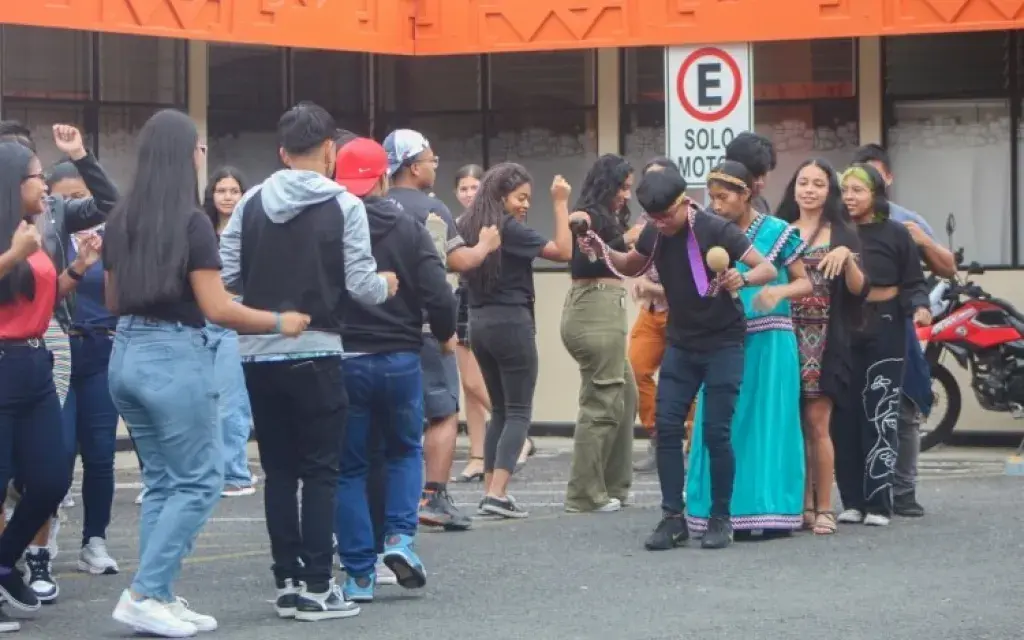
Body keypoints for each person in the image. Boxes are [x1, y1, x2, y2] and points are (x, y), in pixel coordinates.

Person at [104, 108, 311, 637]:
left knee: (163, 481)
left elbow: (112, 299)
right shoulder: (191, 222)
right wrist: (279, 321)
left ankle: (157, 593)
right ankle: (145, 592)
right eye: (198, 145)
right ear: (184, 154)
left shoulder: (121, 217)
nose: (203, 153)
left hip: (125, 353)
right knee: (200, 480)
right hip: (173, 357)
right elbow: (218, 308)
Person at [221, 103, 393, 622]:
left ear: (282, 152)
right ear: (330, 150)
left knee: (278, 472)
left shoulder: (249, 203)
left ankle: (288, 581)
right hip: (318, 349)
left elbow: (227, 277)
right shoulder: (345, 204)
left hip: (258, 351)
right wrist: (386, 285)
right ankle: (319, 586)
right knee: (321, 470)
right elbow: (361, 284)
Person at [580, 168, 778, 551]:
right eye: (653, 218)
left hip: (723, 342)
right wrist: (601, 247)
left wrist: (742, 279)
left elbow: (766, 267)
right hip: (682, 343)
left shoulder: (715, 229)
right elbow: (630, 264)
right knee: (667, 427)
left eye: (666, 216)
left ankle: (721, 517)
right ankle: (673, 518)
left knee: (716, 432)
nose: (661, 224)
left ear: (684, 202)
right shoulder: (655, 232)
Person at [332, 135, 456, 602]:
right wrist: (444, 332)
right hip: (402, 356)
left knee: (350, 467)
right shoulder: (409, 226)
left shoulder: (330, 226)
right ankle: (400, 539)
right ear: (384, 178)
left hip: (346, 356)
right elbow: (439, 292)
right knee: (404, 451)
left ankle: (358, 575)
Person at [0, 123, 118, 606]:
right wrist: (14, 255)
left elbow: (109, 203)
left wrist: (77, 269)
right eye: (36, 177)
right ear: (12, 183)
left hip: (39, 359)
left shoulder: (44, 222)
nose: (45, 187)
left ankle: (7, 560)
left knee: (51, 479)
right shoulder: (21, 238)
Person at [685, 161, 812, 538]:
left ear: (747, 194)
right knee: (725, 423)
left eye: (723, 197)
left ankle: (771, 512)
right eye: (712, 197)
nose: (716, 204)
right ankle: (726, 511)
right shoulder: (710, 232)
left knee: (771, 422)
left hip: (771, 338)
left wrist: (778, 291)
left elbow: (805, 283)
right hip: (724, 339)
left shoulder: (778, 232)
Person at [382, 129, 500, 531]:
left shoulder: (370, 205)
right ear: (413, 167)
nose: (435, 166)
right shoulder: (432, 209)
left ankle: (387, 498)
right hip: (426, 326)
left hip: (377, 328)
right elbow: (455, 261)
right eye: (430, 160)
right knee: (442, 411)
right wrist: (485, 245)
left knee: (389, 415)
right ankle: (432, 496)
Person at [458, 164, 574, 519]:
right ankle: (498, 493)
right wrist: (560, 203)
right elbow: (563, 251)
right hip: (512, 322)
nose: (525, 205)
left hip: (479, 323)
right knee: (519, 411)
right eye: (520, 197)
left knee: (500, 410)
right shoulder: (509, 229)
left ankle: (491, 491)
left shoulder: (468, 225)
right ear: (501, 196)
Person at [853, 144, 956, 518]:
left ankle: (904, 489)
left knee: (905, 404)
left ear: (887, 179)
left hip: (898, 324)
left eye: (875, 175)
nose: (862, 186)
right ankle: (861, 495)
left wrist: (923, 240)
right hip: (852, 327)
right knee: (855, 409)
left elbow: (948, 268)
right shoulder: (841, 221)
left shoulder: (906, 221)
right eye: (857, 178)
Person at [833, 163, 930, 528]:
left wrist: (920, 307)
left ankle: (878, 503)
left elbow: (914, 281)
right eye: (845, 190)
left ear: (875, 194)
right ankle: (852, 501)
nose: (850, 197)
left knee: (880, 411)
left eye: (858, 190)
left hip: (887, 325)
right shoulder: (838, 232)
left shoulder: (896, 233)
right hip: (845, 327)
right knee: (844, 416)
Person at [777, 158, 868, 536]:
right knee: (790, 424)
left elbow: (859, 289)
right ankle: (800, 505)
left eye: (818, 183)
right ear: (793, 188)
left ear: (829, 191)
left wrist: (847, 259)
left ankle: (826, 507)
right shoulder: (779, 231)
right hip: (783, 336)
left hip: (825, 338)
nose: (809, 190)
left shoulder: (843, 232)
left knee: (818, 424)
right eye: (803, 182)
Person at [48, 163, 122, 577]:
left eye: (81, 197)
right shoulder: (45, 236)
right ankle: (45, 530)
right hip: (57, 351)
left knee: (101, 452)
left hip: (100, 350)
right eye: (64, 198)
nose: (74, 206)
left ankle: (95, 540)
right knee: (57, 453)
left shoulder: (110, 238)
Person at [561, 154, 638, 514]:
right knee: (602, 400)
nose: (627, 194)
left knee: (626, 395)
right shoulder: (591, 214)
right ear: (607, 184)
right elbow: (580, 220)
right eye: (622, 187)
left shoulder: (610, 217)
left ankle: (614, 485)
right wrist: (578, 222)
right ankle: (584, 495)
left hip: (604, 309)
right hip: (594, 311)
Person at [624, 157, 686, 473]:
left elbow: (691, 283)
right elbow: (633, 261)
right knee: (635, 370)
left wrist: (654, 289)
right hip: (650, 312)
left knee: (688, 377)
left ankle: (689, 440)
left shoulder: (689, 221)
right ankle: (657, 437)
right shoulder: (644, 223)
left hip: (681, 314)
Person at [202, 166, 256, 497]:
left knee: (230, 401)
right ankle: (211, 470)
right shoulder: (201, 230)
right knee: (201, 401)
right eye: (221, 190)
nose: (227, 197)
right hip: (199, 320)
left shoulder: (253, 231)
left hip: (235, 320)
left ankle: (235, 473)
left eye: (234, 191)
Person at [451, 164, 490, 482]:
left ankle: (519, 432)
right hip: (463, 297)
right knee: (468, 385)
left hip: (483, 301)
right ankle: (478, 455)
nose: (468, 193)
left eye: (474, 187)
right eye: (463, 188)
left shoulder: (490, 221)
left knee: (475, 381)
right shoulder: (456, 222)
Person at [725, 132, 776, 214]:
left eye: (763, 175)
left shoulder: (761, 203)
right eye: (755, 176)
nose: (760, 183)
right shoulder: (718, 211)